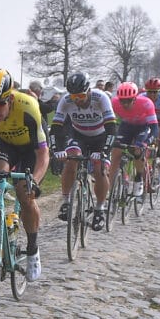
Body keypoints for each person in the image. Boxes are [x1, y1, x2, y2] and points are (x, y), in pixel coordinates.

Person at [0, 68, 48, 282]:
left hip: (31, 150)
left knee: (24, 192)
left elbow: (43, 154)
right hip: (6, 145)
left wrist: (34, 181)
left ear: (10, 98)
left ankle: (33, 249)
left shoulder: (29, 108)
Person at [50, 72, 116, 231]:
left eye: (80, 95)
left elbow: (112, 129)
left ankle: (99, 208)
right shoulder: (65, 101)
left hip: (100, 137)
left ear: (88, 91)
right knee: (70, 161)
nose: (77, 100)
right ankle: (66, 202)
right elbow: (55, 129)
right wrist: (56, 150)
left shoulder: (101, 98)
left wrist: (104, 151)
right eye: (73, 97)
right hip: (78, 135)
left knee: (100, 168)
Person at [109, 82, 159, 196]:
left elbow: (155, 128)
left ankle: (138, 178)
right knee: (115, 152)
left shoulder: (146, 103)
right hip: (126, 127)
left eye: (128, 100)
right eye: (122, 101)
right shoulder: (114, 103)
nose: (125, 104)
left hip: (143, 127)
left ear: (135, 98)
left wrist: (147, 142)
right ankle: (111, 191)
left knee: (138, 149)